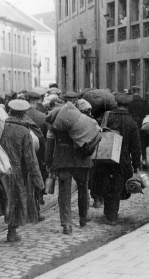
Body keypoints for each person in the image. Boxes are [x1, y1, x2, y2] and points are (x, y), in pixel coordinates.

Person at [0, 99, 44, 244]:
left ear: (9, 112)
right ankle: (12, 234)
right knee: (14, 204)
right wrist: (38, 181)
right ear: (23, 115)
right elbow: (30, 159)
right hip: (15, 174)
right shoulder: (24, 131)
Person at [91, 93, 141, 225]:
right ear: (128, 106)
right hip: (122, 160)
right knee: (117, 186)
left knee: (106, 183)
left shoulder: (108, 116)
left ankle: (108, 212)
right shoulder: (131, 122)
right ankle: (113, 215)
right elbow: (135, 147)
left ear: (117, 104)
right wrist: (136, 165)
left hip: (106, 156)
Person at [45, 98, 92, 234]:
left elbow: (50, 145)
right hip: (82, 161)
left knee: (64, 193)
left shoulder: (55, 122)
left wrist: (49, 162)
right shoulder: (82, 119)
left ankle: (67, 224)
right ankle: (83, 218)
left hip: (63, 161)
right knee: (83, 189)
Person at [128, 86, 149, 169]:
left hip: (132, 124)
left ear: (132, 91)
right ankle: (144, 160)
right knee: (142, 142)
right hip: (142, 124)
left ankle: (134, 162)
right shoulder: (143, 101)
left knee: (132, 143)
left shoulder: (130, 101)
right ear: (138, 92)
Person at [26, 91, 49, 206]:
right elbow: (45, 138)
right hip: (39, 151)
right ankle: (39, 196)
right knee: (39, 172)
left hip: (24, 151)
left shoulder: (21, 115)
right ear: (36, 101)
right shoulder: (43, 117)